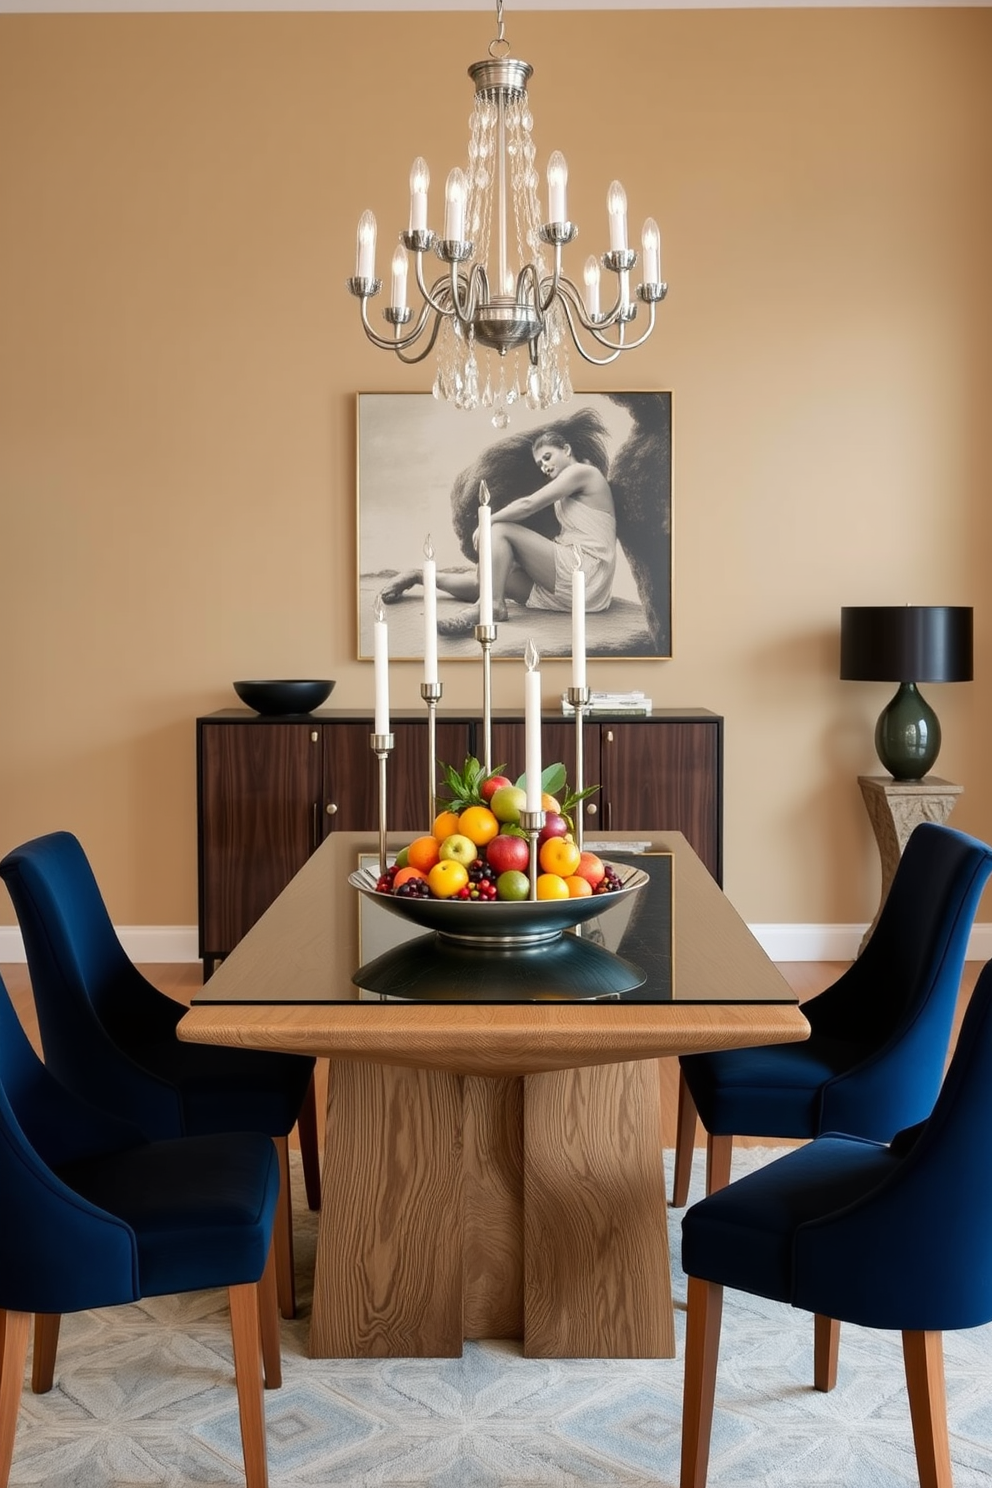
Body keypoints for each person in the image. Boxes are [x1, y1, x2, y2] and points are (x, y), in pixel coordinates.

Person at [381, 428, 617, 636]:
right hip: (578, 586)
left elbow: (528, 505)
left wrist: (486, 521)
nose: (545, 466)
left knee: (500, 530)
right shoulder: (570, 482)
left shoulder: (582, 472)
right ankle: (418, 576)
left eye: (547, 457)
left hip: (586, 571)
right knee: (491, 580)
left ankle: (492, 606)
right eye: (540, 464)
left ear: (566, 449)